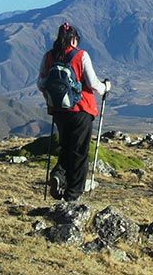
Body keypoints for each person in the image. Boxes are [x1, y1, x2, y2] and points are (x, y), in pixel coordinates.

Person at [38, 23, 110, 202]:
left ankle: (59, 175)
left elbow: (41, 83)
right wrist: (105, 87)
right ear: (74, 39)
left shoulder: (49, 56)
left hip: (59, 111)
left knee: (66, 147)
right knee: (79, 152)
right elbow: (93, 84)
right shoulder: (81, 55)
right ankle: (73, 195)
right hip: (81, 110)